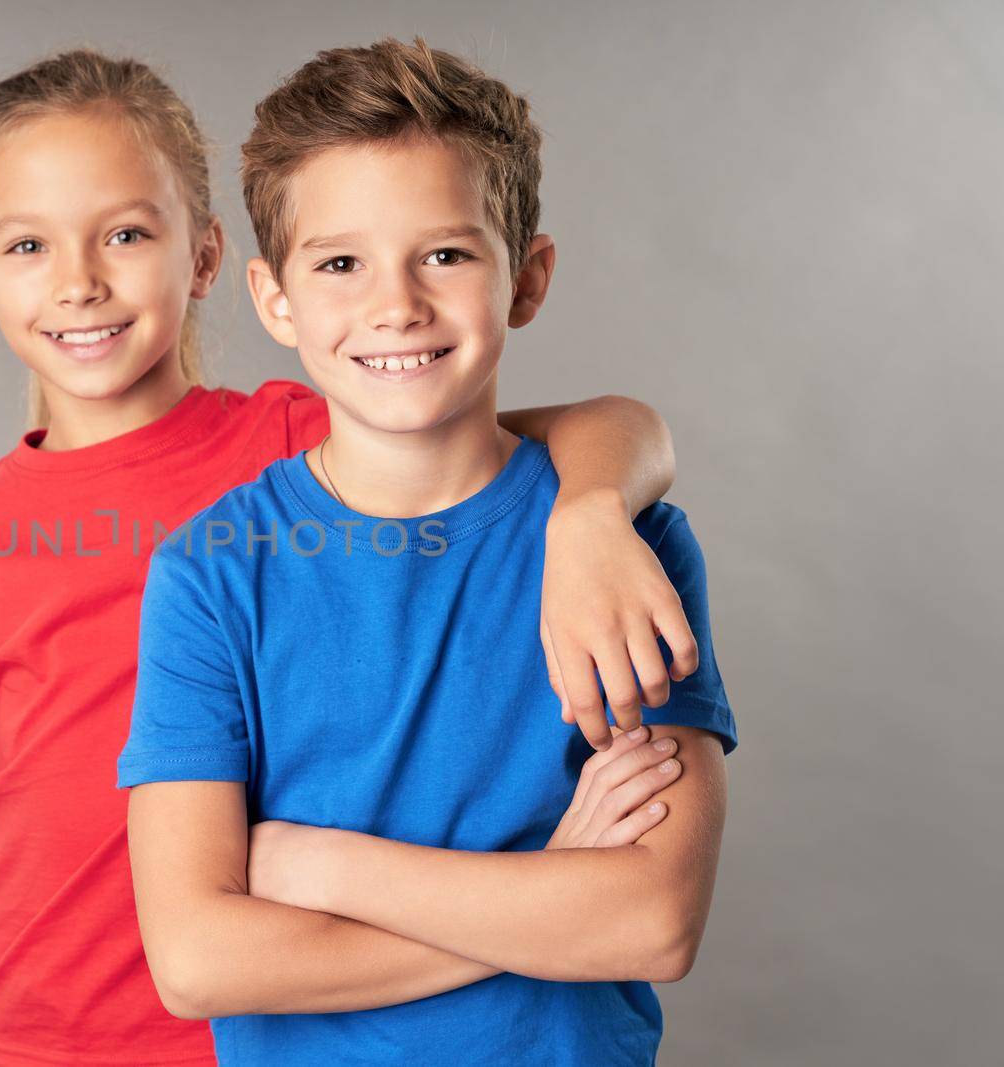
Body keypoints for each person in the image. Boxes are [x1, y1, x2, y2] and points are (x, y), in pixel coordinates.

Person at [0, 46, 699, 1067]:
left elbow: (552, 438)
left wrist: (589, 512)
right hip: (43, 1025)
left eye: (126, 234)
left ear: (207, 258)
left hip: (251, 1014)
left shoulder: (295, 432)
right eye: (27, 247)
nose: (80, 283)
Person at [119, 38, 738, 1066]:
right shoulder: (211, 575)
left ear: (526, 277)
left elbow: (648, 921)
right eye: (340, 263)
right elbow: (196, 957)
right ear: (277, 300)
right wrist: (544, 890)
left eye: (445, 254)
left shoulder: (625, 545)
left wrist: (315, 865)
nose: (395, 304)